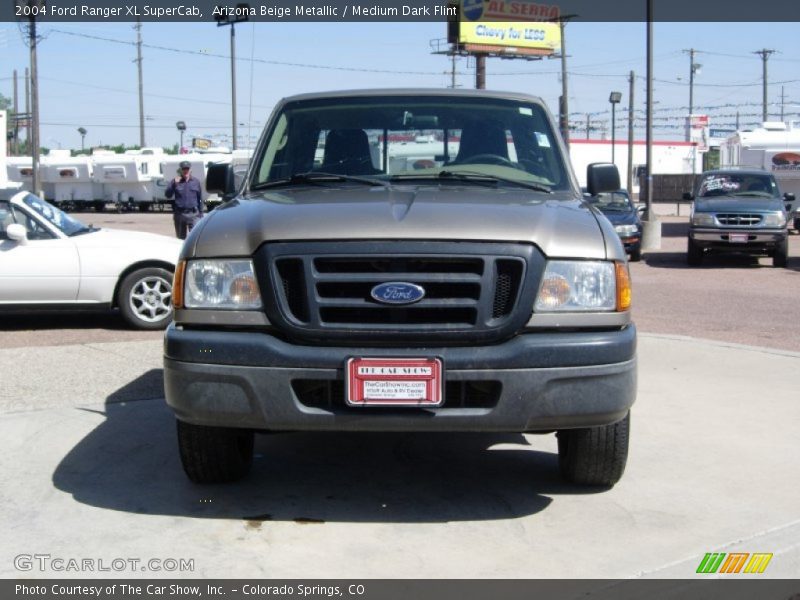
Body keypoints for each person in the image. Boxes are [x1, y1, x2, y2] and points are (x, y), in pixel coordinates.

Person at [165, 160, 203, 239]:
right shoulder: (175, 181)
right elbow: (168, 195)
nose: (185, 171)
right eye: (184, 169)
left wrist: (201, 213)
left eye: (187, 169)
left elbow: (200, 198)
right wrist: (174, 185)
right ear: (181, 170)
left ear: (190, 170)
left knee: (194, 238)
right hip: (180, 214)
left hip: (193, 214)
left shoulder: (196, 182)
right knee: (180, 239)